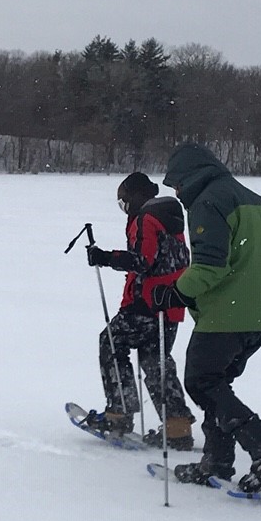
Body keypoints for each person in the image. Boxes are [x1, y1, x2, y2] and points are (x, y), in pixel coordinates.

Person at [155, 142, 261, 491]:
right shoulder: (254, 199)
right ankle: (216, 461)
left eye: (176, 184)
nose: (176, 192)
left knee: (201, 382)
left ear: (188, 177)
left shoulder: (208, 201)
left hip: (228, 314)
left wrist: (175, 291)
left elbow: (210, 265)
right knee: (216, 384)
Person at [79, 172, 195, 449]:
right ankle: (176, 427)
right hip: (171, 302)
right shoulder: (171, 215)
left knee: (111, 340)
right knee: (156, 360)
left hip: (146, 303)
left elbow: (143, 260)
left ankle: (119, 411)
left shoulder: (146, 218)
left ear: (134, 196)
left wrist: (105, 257)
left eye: (124, 202)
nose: (125, 209)